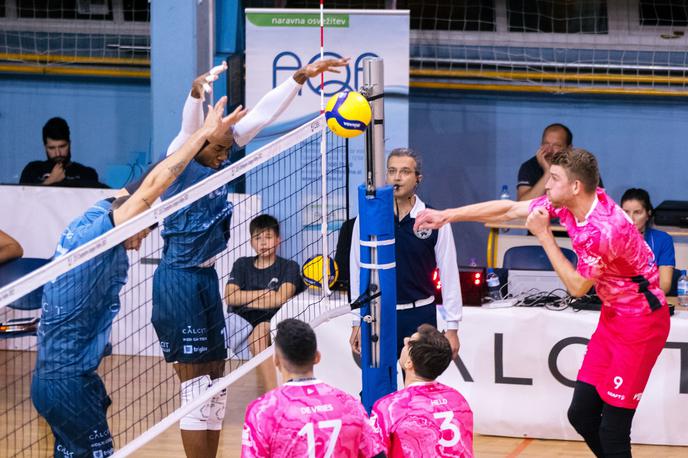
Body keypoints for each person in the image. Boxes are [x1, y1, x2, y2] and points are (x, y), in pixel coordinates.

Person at [150, 58, 348, 458]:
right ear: (201, 142)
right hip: (178, 280)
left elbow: (261, 113)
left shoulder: (219, 152)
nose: (225, 156)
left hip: (205, 279)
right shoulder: (182, 158)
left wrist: (299, 78)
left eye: (227, 148)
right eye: (219, 148)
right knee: (195, 389)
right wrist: (194, 95)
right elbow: (190, 129)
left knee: (215, 384)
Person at [415, 148, 670, 458]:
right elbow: (510, 210)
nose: (546, 185)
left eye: (553, 178)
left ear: (575, 186)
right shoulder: (575, 204)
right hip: (613, 317)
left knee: (613, 429)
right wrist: (447, 216)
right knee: (581, 415)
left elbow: (577, 287)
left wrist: (544, 236)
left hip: (641, 324)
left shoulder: (605, 230)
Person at [30, 97, 245, 458]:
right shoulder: (102, 236)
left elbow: (143, 182)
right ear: (128, 221)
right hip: (67, 382)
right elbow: (158, 183)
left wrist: (191, 133)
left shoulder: (92, 217)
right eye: (142, 232)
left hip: (57, 378)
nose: (139, 242)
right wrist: (200, 135)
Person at [349, 148, 462, 360]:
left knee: (418, 387)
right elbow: (356, 269)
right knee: (379, 388)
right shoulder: (367, 219)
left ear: (418, 178)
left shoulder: (433, 219)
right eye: (392, 171)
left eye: (405, 171)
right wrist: (357, 320)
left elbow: (449, 273)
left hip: (420, 315)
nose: (397, 177)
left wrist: (452, 327)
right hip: (378, 315)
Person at [241, 318, 386, 458]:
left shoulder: (262, 410)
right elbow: (377, 455)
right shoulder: (350, 404)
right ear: (317, 357)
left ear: (276, 360)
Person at [225, 214, 303, 391]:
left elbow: (281, 299)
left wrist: (244, 298)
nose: (263, 243)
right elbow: (230, 297)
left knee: (259, 333)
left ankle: (270, 391)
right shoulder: (242, 264)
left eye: (268, 237)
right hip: (240, 323)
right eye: (257, 238)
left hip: (273, 321)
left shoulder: (289, 266)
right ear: (251, 242)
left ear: (278, 240)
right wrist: (266, 293)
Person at [370, 324, 473, 457]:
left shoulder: (390, 407)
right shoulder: (458, 399)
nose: (405, 340)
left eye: (410, 342)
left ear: (409, 363)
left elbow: (374, 452)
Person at [20, 117, 102, 187]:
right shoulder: (32, 170)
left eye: (62, 146)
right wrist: (50, 181)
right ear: (45, 147)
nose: (58, 153)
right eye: (52, 148)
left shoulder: (86, 174)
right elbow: (20, 201)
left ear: (69, 144)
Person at [621, 188, 675, 294]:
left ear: (648, 214)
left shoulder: (663, 239)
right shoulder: (609, 239)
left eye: (637, 212)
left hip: (649, 301)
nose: (630, 218)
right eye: (626, 212)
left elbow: (664, 285)